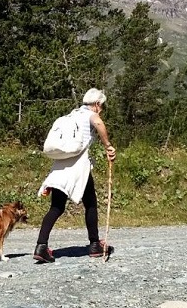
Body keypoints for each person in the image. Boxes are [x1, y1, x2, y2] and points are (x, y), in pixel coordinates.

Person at [33, 88, 118, 263]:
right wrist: (108, 145)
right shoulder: (90, 115)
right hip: (79, 168)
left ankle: (41, 246)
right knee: (91, 204)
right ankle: (95, 244)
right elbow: (99, 123)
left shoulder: (71, 116)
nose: (102, 110)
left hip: (60, 168)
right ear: (97, 104)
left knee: (56, 207)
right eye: (103, 106)